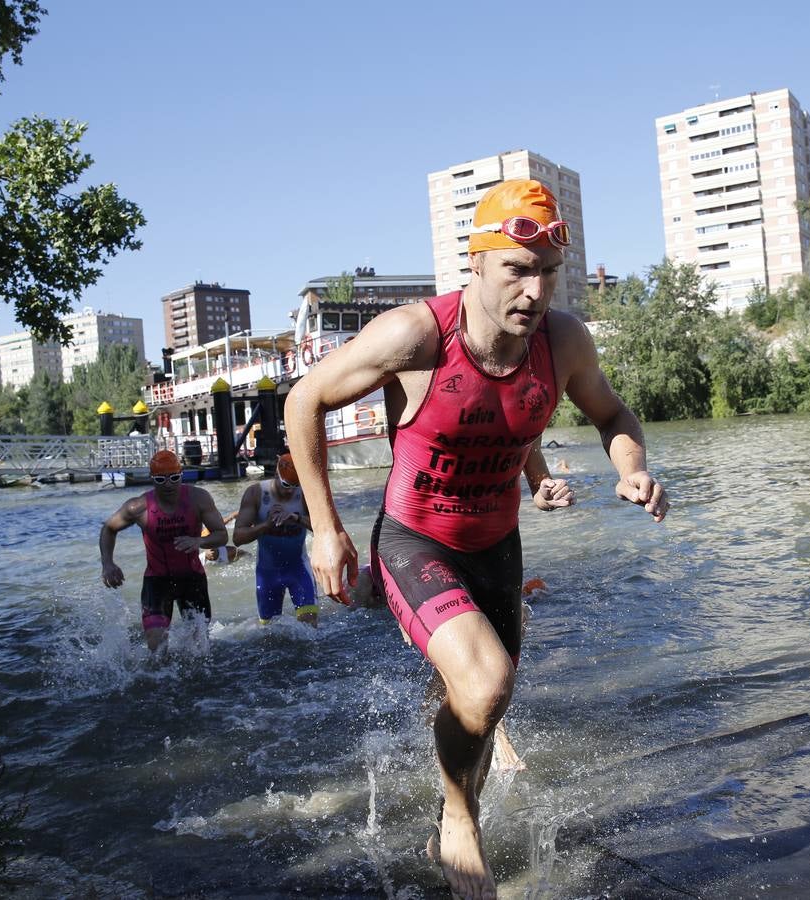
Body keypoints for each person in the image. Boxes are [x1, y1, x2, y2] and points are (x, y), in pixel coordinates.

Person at [284, 179, 668, 898]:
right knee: (486, 681)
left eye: (547, 273)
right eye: (516, 271)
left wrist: (634, 469)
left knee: (487, 703)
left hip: (497, 544)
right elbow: (303, 399)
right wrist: (323, 529)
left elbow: (613, 416)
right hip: (414, 539)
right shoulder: (416, 336)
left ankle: (444, 820)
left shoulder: (562, 342)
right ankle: (461, 821)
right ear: (478, 265)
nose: (533, 291)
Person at [99, 449, 228, 651]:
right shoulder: (138, 507)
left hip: (192, 579)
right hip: (157, 582)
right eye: (160, 479)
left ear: (181, 474)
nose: (168, 484)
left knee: (199, 649)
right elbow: (109, 528)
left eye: (174, 478)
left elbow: (221, 534)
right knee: (156, 647)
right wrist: (107, 563)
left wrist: (198, 541)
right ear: (152, 478)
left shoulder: (199, 499)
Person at [232, 453, 318, 627]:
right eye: (286, 484)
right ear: (275, 474)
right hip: (267, 574)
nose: (290, 490)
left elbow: (324, 528)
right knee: (269, 635)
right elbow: (237, 537)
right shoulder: (256, 493)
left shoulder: (306, 494)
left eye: (295, 485)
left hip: (299, 570)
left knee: (310, 630)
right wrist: (266, 525)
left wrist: (296, 518)